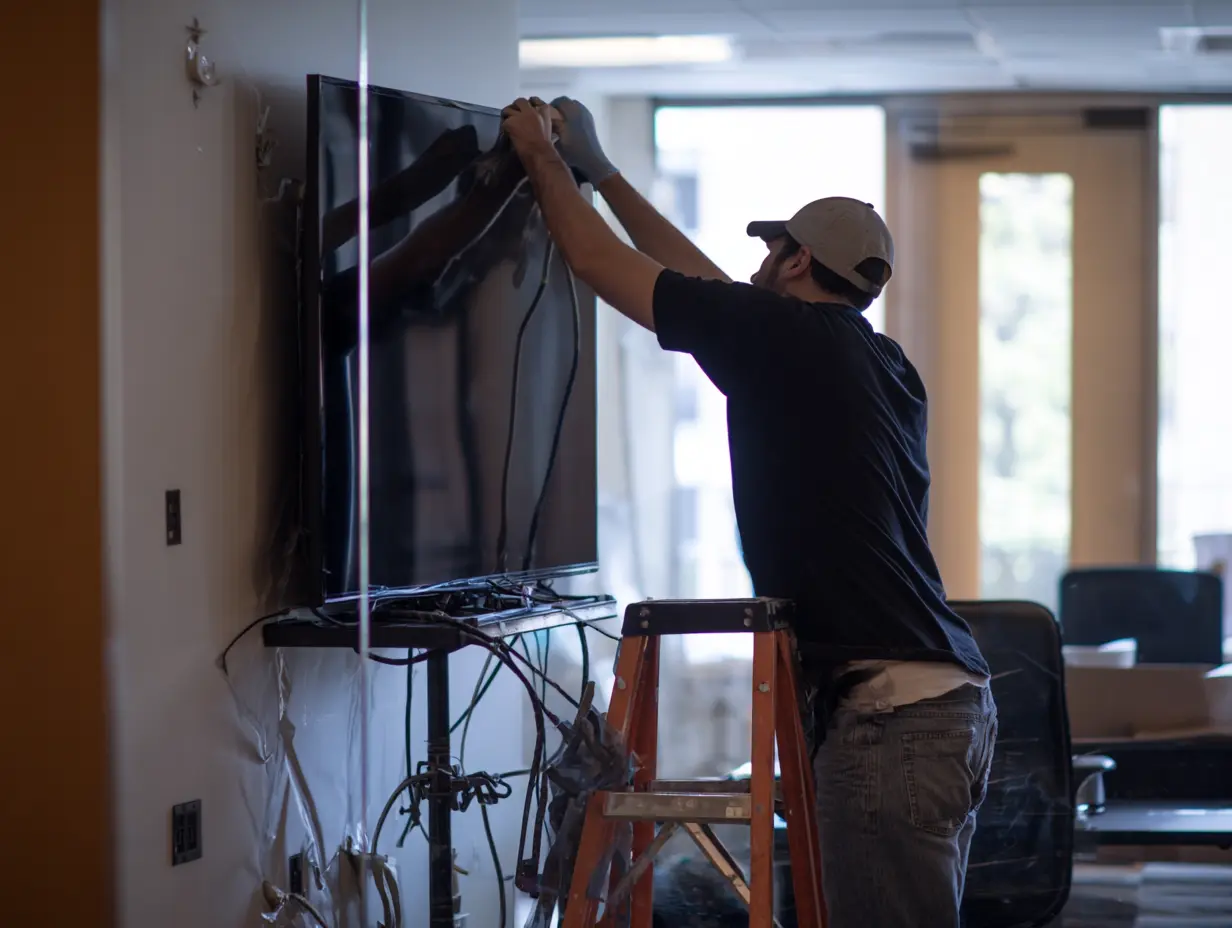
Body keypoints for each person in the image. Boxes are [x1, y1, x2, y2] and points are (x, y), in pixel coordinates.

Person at [500, 96, 997, 927]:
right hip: (942, 707)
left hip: (891, 721)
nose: (760, 264)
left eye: (772, 249)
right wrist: (607, 174)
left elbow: (594, 262)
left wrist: (541, 159)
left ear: (799, 260)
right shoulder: (872, 361)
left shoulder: (784, 343)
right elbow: (701, 289)